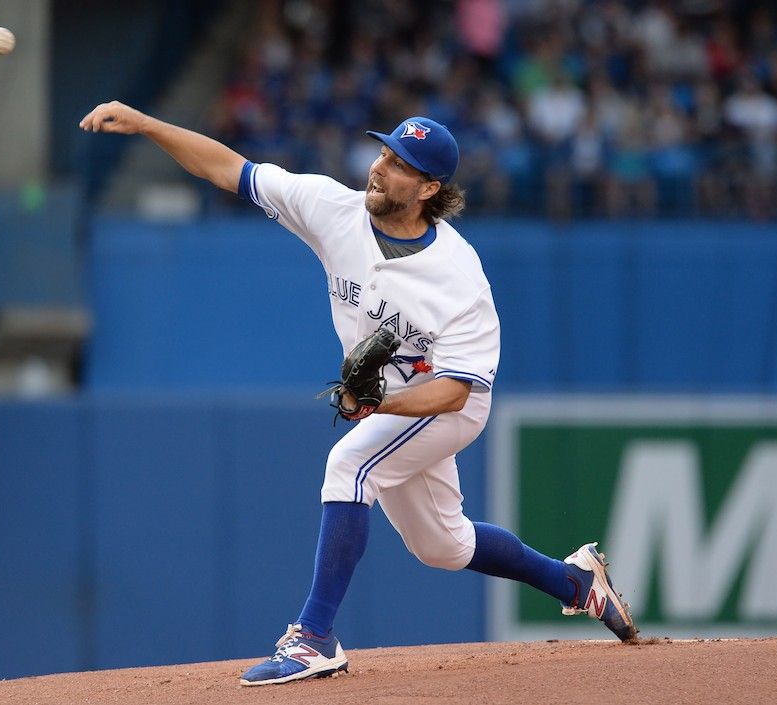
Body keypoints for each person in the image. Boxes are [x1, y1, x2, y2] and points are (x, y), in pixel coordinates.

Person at [79, 102, 638, 686]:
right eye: (384, 153)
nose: (379, 167)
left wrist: (375, 405)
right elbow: (230, 169)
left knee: (349, 465)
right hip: (393, 401)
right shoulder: (333, 208)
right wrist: (147, 124)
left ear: (428, 188)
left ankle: (313, 638)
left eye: (399, 165)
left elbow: (452, 392)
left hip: (447, 404)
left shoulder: (460, 276)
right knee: (442, 546)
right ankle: (575, 582)